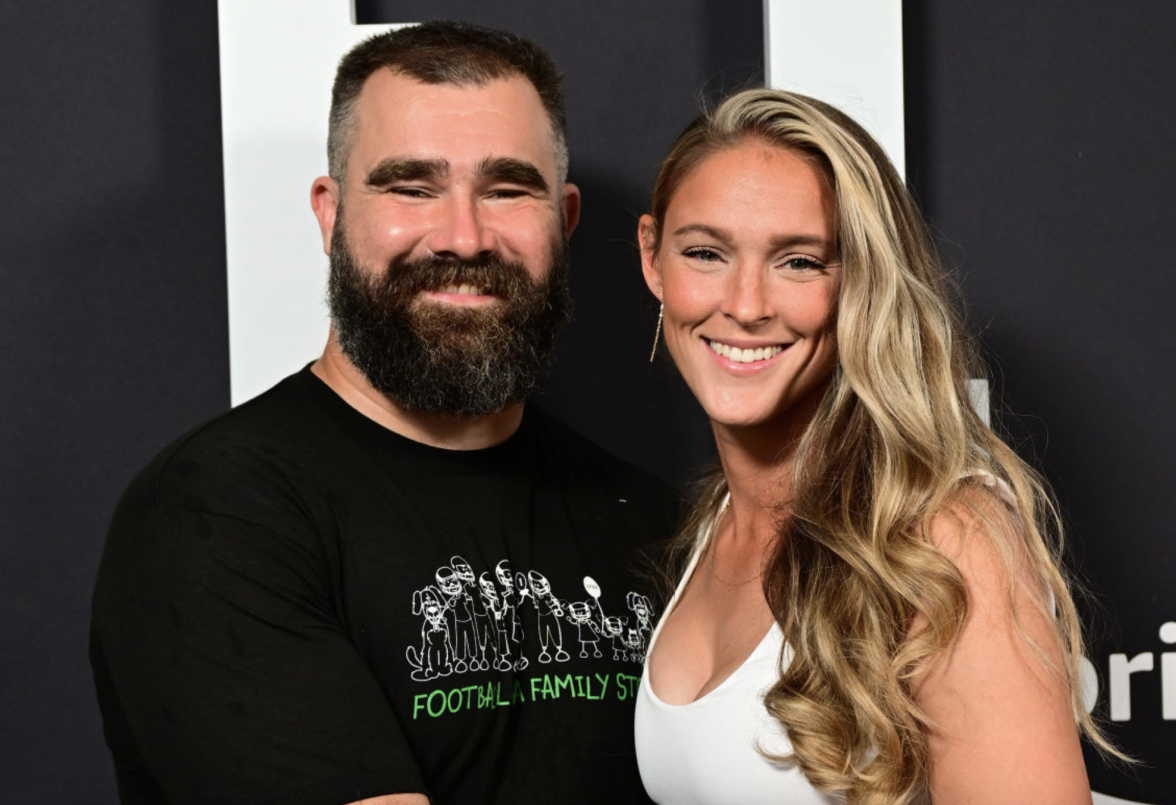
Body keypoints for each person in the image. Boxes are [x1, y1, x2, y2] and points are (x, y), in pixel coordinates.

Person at [90, 21, 675, 805]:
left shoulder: (653, 519)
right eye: (410, 186)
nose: (463, 237)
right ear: (330, 215)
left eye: (507, 188)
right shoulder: (215, 514)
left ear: (562, 223)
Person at [632, 88, 1113, 804]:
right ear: (653, 259)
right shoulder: (716, 525)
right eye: (705, 253)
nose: (744, 303)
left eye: (798, 262)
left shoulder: (946, 536)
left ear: (863, 281)